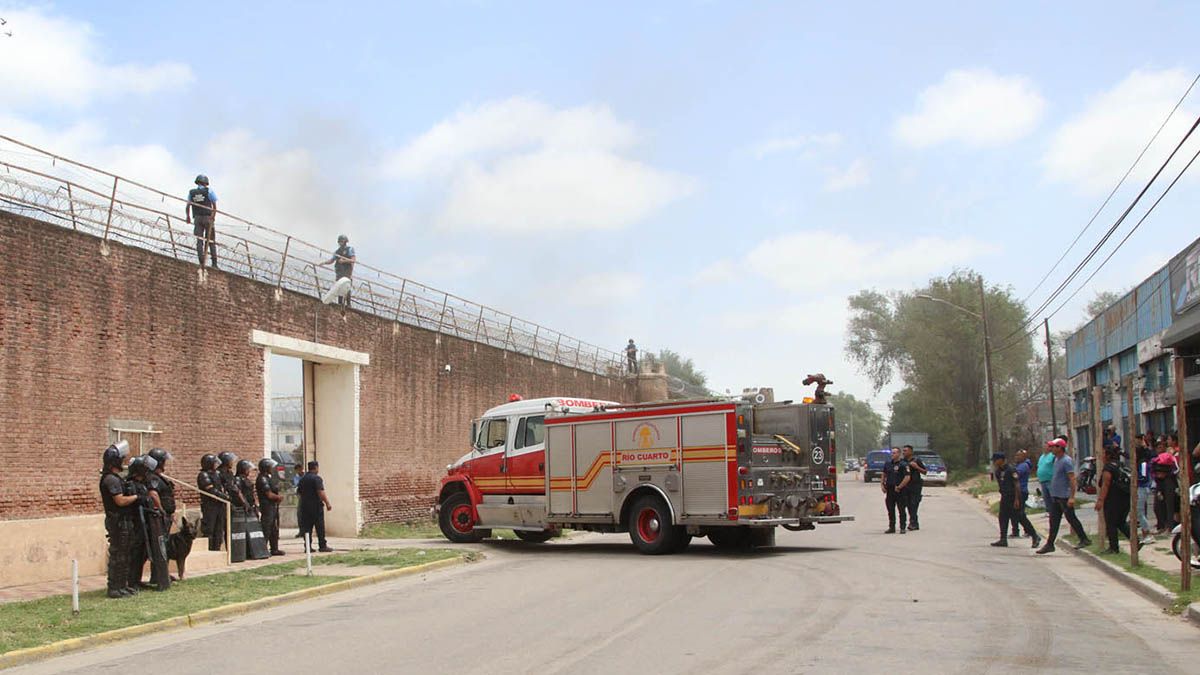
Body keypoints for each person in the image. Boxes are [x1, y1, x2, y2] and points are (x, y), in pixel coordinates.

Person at [1037, 439, 1091, 554]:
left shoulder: (1066, 461)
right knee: (1054, 520)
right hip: (1056, 495)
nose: (1051, 449)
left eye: (1053, 447)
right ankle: (1050, 544)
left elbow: (1072, 478)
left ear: (1060, 448)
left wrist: (1072, 496)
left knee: (1071, 518)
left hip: (1064, 496)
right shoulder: (1056, 459)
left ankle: (1084, 539)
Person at [100, 442, 139, 598]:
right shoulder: (110, 479)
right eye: (121, 459)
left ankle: (122, 585)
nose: (123, 461)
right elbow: (120, 501)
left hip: (124, 520)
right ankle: (114, 587)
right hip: (117, 522)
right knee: (118, 555)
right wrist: (136, 497)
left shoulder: (116, 478)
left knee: (125, 554)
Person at [993, 452, 1041, 548]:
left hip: (1013, 496)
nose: (994, 462)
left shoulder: (1011, 470)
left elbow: (1017, 484)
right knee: (1003, 517)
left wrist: (1017, 499)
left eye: (996, 460)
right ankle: (1003, 539)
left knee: (1020, 517)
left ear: (1001, 460)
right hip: (1005, 497)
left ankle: (1035, 536)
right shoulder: (998, 471)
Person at [1095, 446, 1136, 554]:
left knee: (1111, 523)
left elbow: (1106, 484)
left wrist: (1100, 500)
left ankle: (1113, 548)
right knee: (1120, 522)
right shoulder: (1120, 465)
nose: (1101, 456)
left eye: (1103, 454)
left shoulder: (1108, 468)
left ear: (1108, 455)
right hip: (1125, 498)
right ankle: (1136, 540)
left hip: (1113, 499)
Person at [146, 448, 175, 589]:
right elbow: (153, 494)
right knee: (160, 547)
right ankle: (157, 576)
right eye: (163, 461)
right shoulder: (152, 478)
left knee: (164, 546)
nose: (165, 464)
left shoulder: (159, 476)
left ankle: (161, 574)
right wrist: (163, 511)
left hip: (166, 516)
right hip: (159, 518)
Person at [297, 461, 333, 552]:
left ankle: (308, 547)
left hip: (305, 507)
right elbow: (320, 492)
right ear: (316, 467)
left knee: (307, 527)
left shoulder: (302, 479)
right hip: (316, 506)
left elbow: (299, 492)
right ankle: (322, 545)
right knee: (319, 526)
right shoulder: (317, 479)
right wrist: (327, 503)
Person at [186, 174, 218, 268]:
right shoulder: (209, 190)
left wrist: (188, 217)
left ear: (197, 182)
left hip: (197, 218)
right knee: (211, 241)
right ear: (205, 183)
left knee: (199, 240)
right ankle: (214, 264)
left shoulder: (192, 192)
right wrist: (213, 217)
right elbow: (215, 207)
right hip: (208, 218)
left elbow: (188, 206)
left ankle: (201, 262)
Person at [197, 454, 227, 551]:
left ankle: (217, 548)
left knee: (219, 528)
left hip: (219, 504)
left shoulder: (217, 474)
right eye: (214, 463)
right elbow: (210, 489)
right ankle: (209, 549)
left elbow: (225, 482)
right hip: (209, 505)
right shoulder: (203, 475)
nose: (216, 465)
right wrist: (224, 496)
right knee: (210, 528)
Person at [256, 458, 286, 556]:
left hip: (272, 506)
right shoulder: (262, 478)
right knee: (266, 527)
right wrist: (278, 497)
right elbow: (268, 494)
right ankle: (263, 549)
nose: (272, 469)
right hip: (267, 506)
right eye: (270, 467)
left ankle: (274, 549)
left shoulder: (268, 478)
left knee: (274, 528)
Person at [319, 235, 356, 307]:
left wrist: (344, 261)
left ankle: (348, 304)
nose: (340, 243)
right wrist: (324, 263)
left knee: (346, 286)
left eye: (342, 241)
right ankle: (340, 303)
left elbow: (353, 260)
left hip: (347, 271)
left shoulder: (350, 249)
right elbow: (331, 260)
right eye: (340, 242)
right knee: (339, 286)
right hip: (339, 271)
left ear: (345, 242)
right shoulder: (337, 251)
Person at [882, 447, 910, 533]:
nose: (892, 454)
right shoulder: (888, 464)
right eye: (892, 453)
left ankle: (902, 527)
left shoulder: (903, 464)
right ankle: (892, 527)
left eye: (894, 453)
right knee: (890, 509)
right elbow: (884, 474)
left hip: (900, 490)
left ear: (899, 454)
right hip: (890, 490)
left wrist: (900, 487)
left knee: (901, 509)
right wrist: (882, 485)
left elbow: (907, 477)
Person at [1010, 449, 1036, 539]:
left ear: (1024, 457)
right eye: (1016, 455)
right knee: (1015, 513)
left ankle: (1028, 531)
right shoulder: (1019, 465)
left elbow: (1015, 475)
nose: (1016, 457)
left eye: (1019, 456)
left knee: (1020, 513)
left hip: (1021, 491)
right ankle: (1015, 531)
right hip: (1017, 491)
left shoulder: (1024, 466)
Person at [902, 445, 926, 531]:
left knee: (914, 504)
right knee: (907, 504)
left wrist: (917, 467)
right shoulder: (902, 461)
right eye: (903, 451)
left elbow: (925, 472)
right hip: (905, 486)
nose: (904, 452)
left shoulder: (917, 460)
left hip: (915, 485)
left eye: (906, 451)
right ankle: (913, 522)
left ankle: (913, 523)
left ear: (911, 452)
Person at [1036, 440, 1059, 509]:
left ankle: (1056, 511)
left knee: (1053, 497)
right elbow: (1039, 466)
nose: (1045, 447)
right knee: (1046, 498)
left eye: (1047, 446)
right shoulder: (1042, 457)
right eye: (1044, 446)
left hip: (1050, 480)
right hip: (1043, 481)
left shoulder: (1052, 456)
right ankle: (1049, 511)